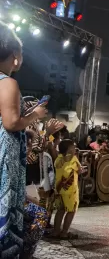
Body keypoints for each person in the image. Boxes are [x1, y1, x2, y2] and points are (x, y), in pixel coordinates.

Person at [0, 22, 48, 257]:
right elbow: (10, 123)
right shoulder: (7, 82)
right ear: (15, 57)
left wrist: (26, 131)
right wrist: (34, 116)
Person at [52, 139, 83, 239]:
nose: (75, 148)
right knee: (71, 211)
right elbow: (79, 170)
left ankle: (56, 231)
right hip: (70, 191)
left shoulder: (58, 159)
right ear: (69, 149)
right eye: (73, 147)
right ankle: (64, 232)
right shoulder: (73, 159)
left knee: (60, 210)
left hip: (59, 189)